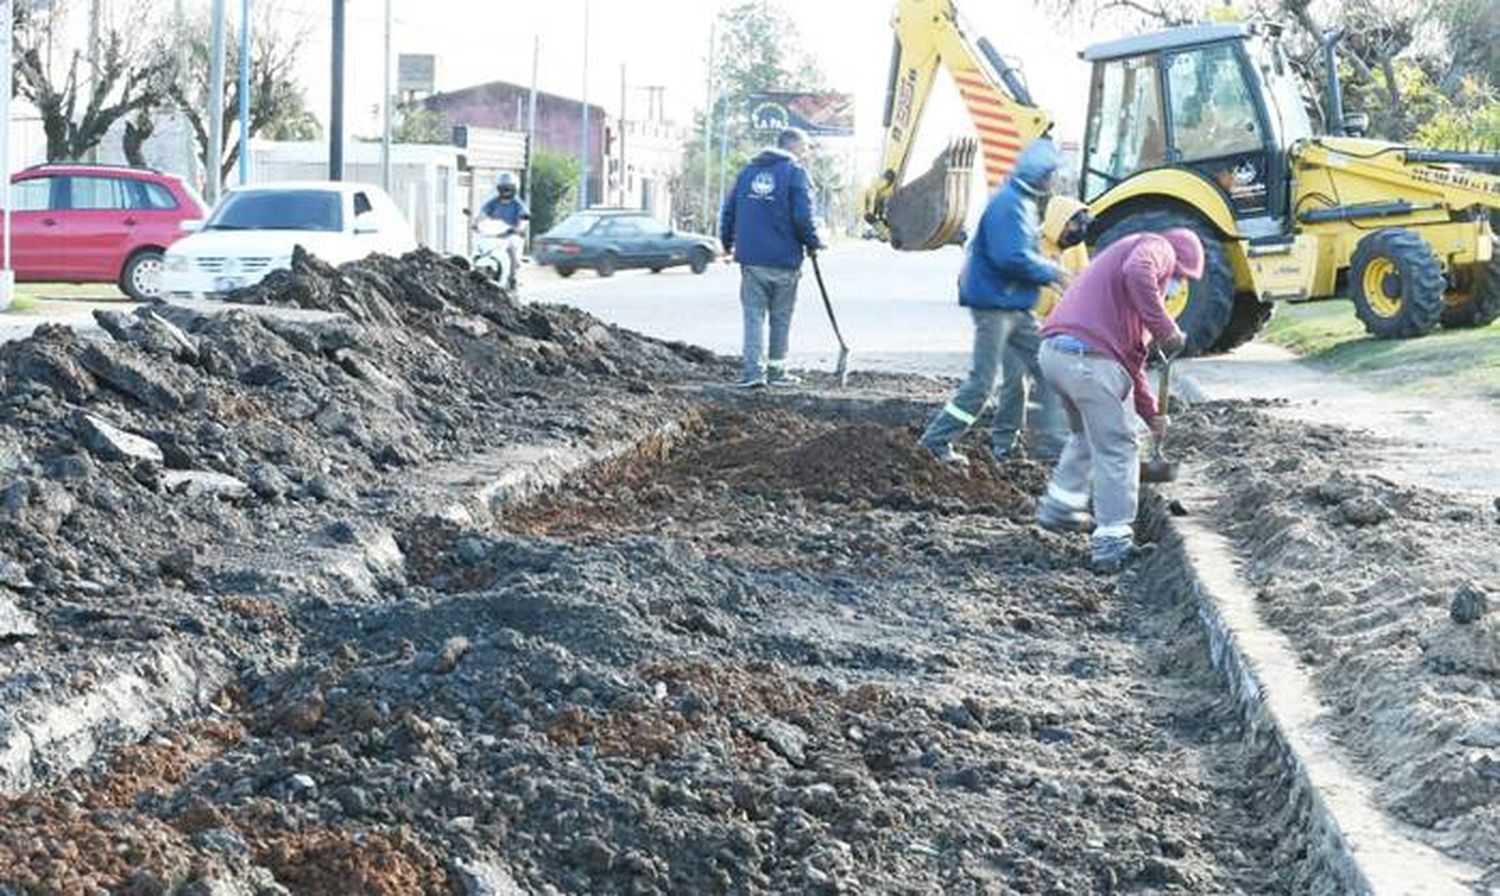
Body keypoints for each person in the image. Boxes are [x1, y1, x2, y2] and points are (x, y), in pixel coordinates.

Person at [1034, 228, 1199, 573]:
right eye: (1179, 277)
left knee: (1086, 436)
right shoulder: (1157, 247)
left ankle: (1059, 506)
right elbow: (1139, 271)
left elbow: (1131, 367)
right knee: (1119, 445)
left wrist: (1152, 413)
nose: (1175, 285)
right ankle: (1112, 542)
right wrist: (1167, 329)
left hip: (1054, 355)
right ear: (1178, 261)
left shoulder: (1121, 303)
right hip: (1089, 361)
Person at [918, 137, 1069, 466]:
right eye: (1052, 173)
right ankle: (935, 441)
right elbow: (1010, 257)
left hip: (1015, 306)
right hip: (996, 307)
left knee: (1046, 370)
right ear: (1040, 174)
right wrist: (1052, 272)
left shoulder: (1022, 202)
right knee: (982, 383)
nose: (1055, 179)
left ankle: (1044, 444)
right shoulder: (1008, 205)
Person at [719, 127, 824, 389]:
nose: (807, 153)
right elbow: (803, 216)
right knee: (780, 317)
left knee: (753, 316)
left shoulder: (746, 173)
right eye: (805, 147)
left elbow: (728, 211)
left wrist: (727, 243)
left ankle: (754, 373)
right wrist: (813, 243)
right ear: (795, 147)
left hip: (752, 260)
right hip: (784, 260)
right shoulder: (795, 174)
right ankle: (777, 372)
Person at [992, 196, 1093, 461]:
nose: (1077, 232)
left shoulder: (1075, 249)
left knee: (1056, 381)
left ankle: (1053, 440)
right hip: (1016, 321)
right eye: (1073, 225)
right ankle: (1004, 443)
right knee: (1015, 382)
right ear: (1059, 222)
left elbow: (1081, 285)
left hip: (1054, 324)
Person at [479, 171, 529, 290]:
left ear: (514, 189)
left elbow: (524, 218)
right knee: (481, 246)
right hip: (495, 233)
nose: (505, 191)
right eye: (503, 188)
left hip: (511, 235)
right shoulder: (493, 202)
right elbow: (483, 213)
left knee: (511, 250)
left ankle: (512, 278)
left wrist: (519, 227)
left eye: (508, 188)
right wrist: (477, 222)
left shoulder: (518, 204)